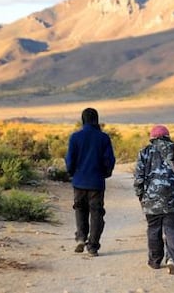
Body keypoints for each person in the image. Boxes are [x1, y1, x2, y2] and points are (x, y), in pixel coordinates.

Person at [133, 124, 174, 275]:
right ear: (167, 136)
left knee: (153, 229)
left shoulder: (145, 152)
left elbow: (139, 177)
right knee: (171, 229)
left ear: (152, 138)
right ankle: (172, 259)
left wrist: (140, 194)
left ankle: (155, 261)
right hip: (172, 198)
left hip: (151, 198)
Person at [65, 107, 116, 257]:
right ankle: (93, 246)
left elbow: (70, 159)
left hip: (79, 181)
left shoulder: (75, 137)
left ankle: (81, 237)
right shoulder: (103, 138)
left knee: (80, 209)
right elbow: (109, 160)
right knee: (96, 213)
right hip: (96, 182)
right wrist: (106, 173)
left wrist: (72, 173)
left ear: (83, 119)